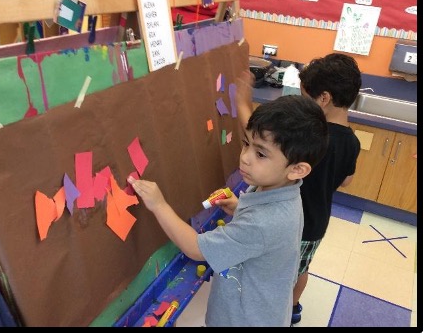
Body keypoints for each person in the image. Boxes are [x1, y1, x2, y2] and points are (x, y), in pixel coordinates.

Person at [128, 95, 329, 327]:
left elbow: (196, 249)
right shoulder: (283, 191)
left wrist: (159, 205)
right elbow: (263, 235)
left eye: (260, 154)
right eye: (246, 144)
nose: (244, 158)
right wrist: (239, 208)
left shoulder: (265, 222)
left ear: (297, 169)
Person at [233, 53, 362, 325]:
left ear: (324, 99)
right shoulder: (351, 140)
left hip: (293, 224)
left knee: (281, 273)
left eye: (306, 97)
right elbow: (347, 180)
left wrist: (242, 100)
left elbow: (259, 139)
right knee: (301, 268)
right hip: (317, 223)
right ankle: (293, 306)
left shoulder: (313, 141)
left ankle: (281, 310)